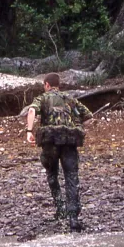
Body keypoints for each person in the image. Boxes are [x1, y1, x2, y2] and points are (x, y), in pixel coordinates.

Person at [25, 73, 94, 232]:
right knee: (71, 177)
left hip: (50, 142)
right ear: (58, 85)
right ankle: (73, 218)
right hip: (69, 142)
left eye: (44, 85)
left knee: (52, 174)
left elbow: (31, 112)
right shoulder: (70, 99)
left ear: (47, 85)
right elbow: (88, 116)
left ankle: (60, 209)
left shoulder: (42, 98)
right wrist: (76, 124)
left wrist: (29, 131)